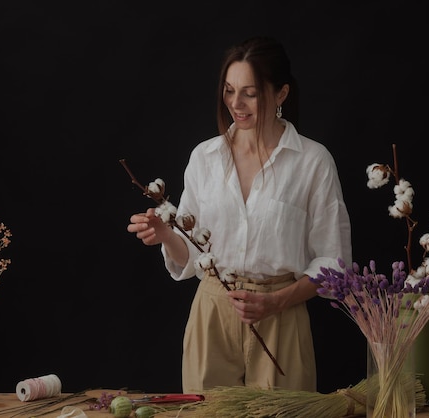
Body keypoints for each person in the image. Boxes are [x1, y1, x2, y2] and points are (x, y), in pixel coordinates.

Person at [127, 36, 352, 393]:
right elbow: (193, 254)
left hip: (281, 317)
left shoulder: (313, 162)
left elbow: (334, 264)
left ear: (280, 94)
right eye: (229, 90)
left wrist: (275, 301)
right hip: (212, 313)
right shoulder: (205, 158)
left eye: (250, 92)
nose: (236, 103)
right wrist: (167, 234)